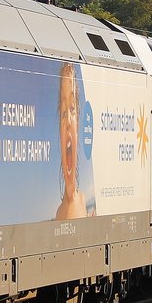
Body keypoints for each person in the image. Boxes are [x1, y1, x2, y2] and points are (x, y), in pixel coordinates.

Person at [55, 62, 88, 220]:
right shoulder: (59, 213)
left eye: (73, 110)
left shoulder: (85, 201)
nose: (68, 121)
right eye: (63, 113)